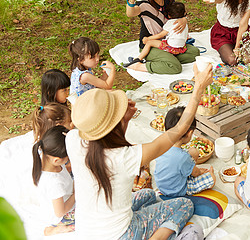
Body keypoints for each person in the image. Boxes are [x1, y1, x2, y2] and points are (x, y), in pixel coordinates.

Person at [65, 63, 213, 239]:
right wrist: (198, 89)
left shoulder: (73, 140)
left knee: (148, 194)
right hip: (122, 234)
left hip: (88, 232)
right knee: (185, 204)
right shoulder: (124, 158)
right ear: (115, 125)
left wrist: (121, 118)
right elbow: (179, 130)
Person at [125, 0, 200, 74]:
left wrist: (184, 19)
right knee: (175, 67)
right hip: (149, 45)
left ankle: (165, 60)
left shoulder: (168, 0)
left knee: (194, 52)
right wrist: (131, 1)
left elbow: (177, 15)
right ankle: (138, 65)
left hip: (168, 42)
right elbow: (130, 13)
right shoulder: (144, 4)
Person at [154, 106, 216, 197]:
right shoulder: (182, 157)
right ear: (190, 133)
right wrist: (201, 172)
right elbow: (196, 173)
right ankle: (199, 174)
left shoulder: (161, 145)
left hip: (163, 186)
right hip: (177, 190)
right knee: (212, 179)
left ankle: (188, 170)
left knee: (193, 152)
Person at [32, 126, 75, 236]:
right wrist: (76, 194)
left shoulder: (46, 157)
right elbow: (60, 212)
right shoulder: (54, 182)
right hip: (60, 216)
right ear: (57, 160)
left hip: (58, 199)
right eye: (68, 157)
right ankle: (54, 229)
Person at [125, 2, 189, 67]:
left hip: (172, 48)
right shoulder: (184, 23)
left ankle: (138, 59)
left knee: (150, 43)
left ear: (169, 15)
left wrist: (148, 38)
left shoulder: (170, 23)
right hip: (181, 48)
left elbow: (160, 35)